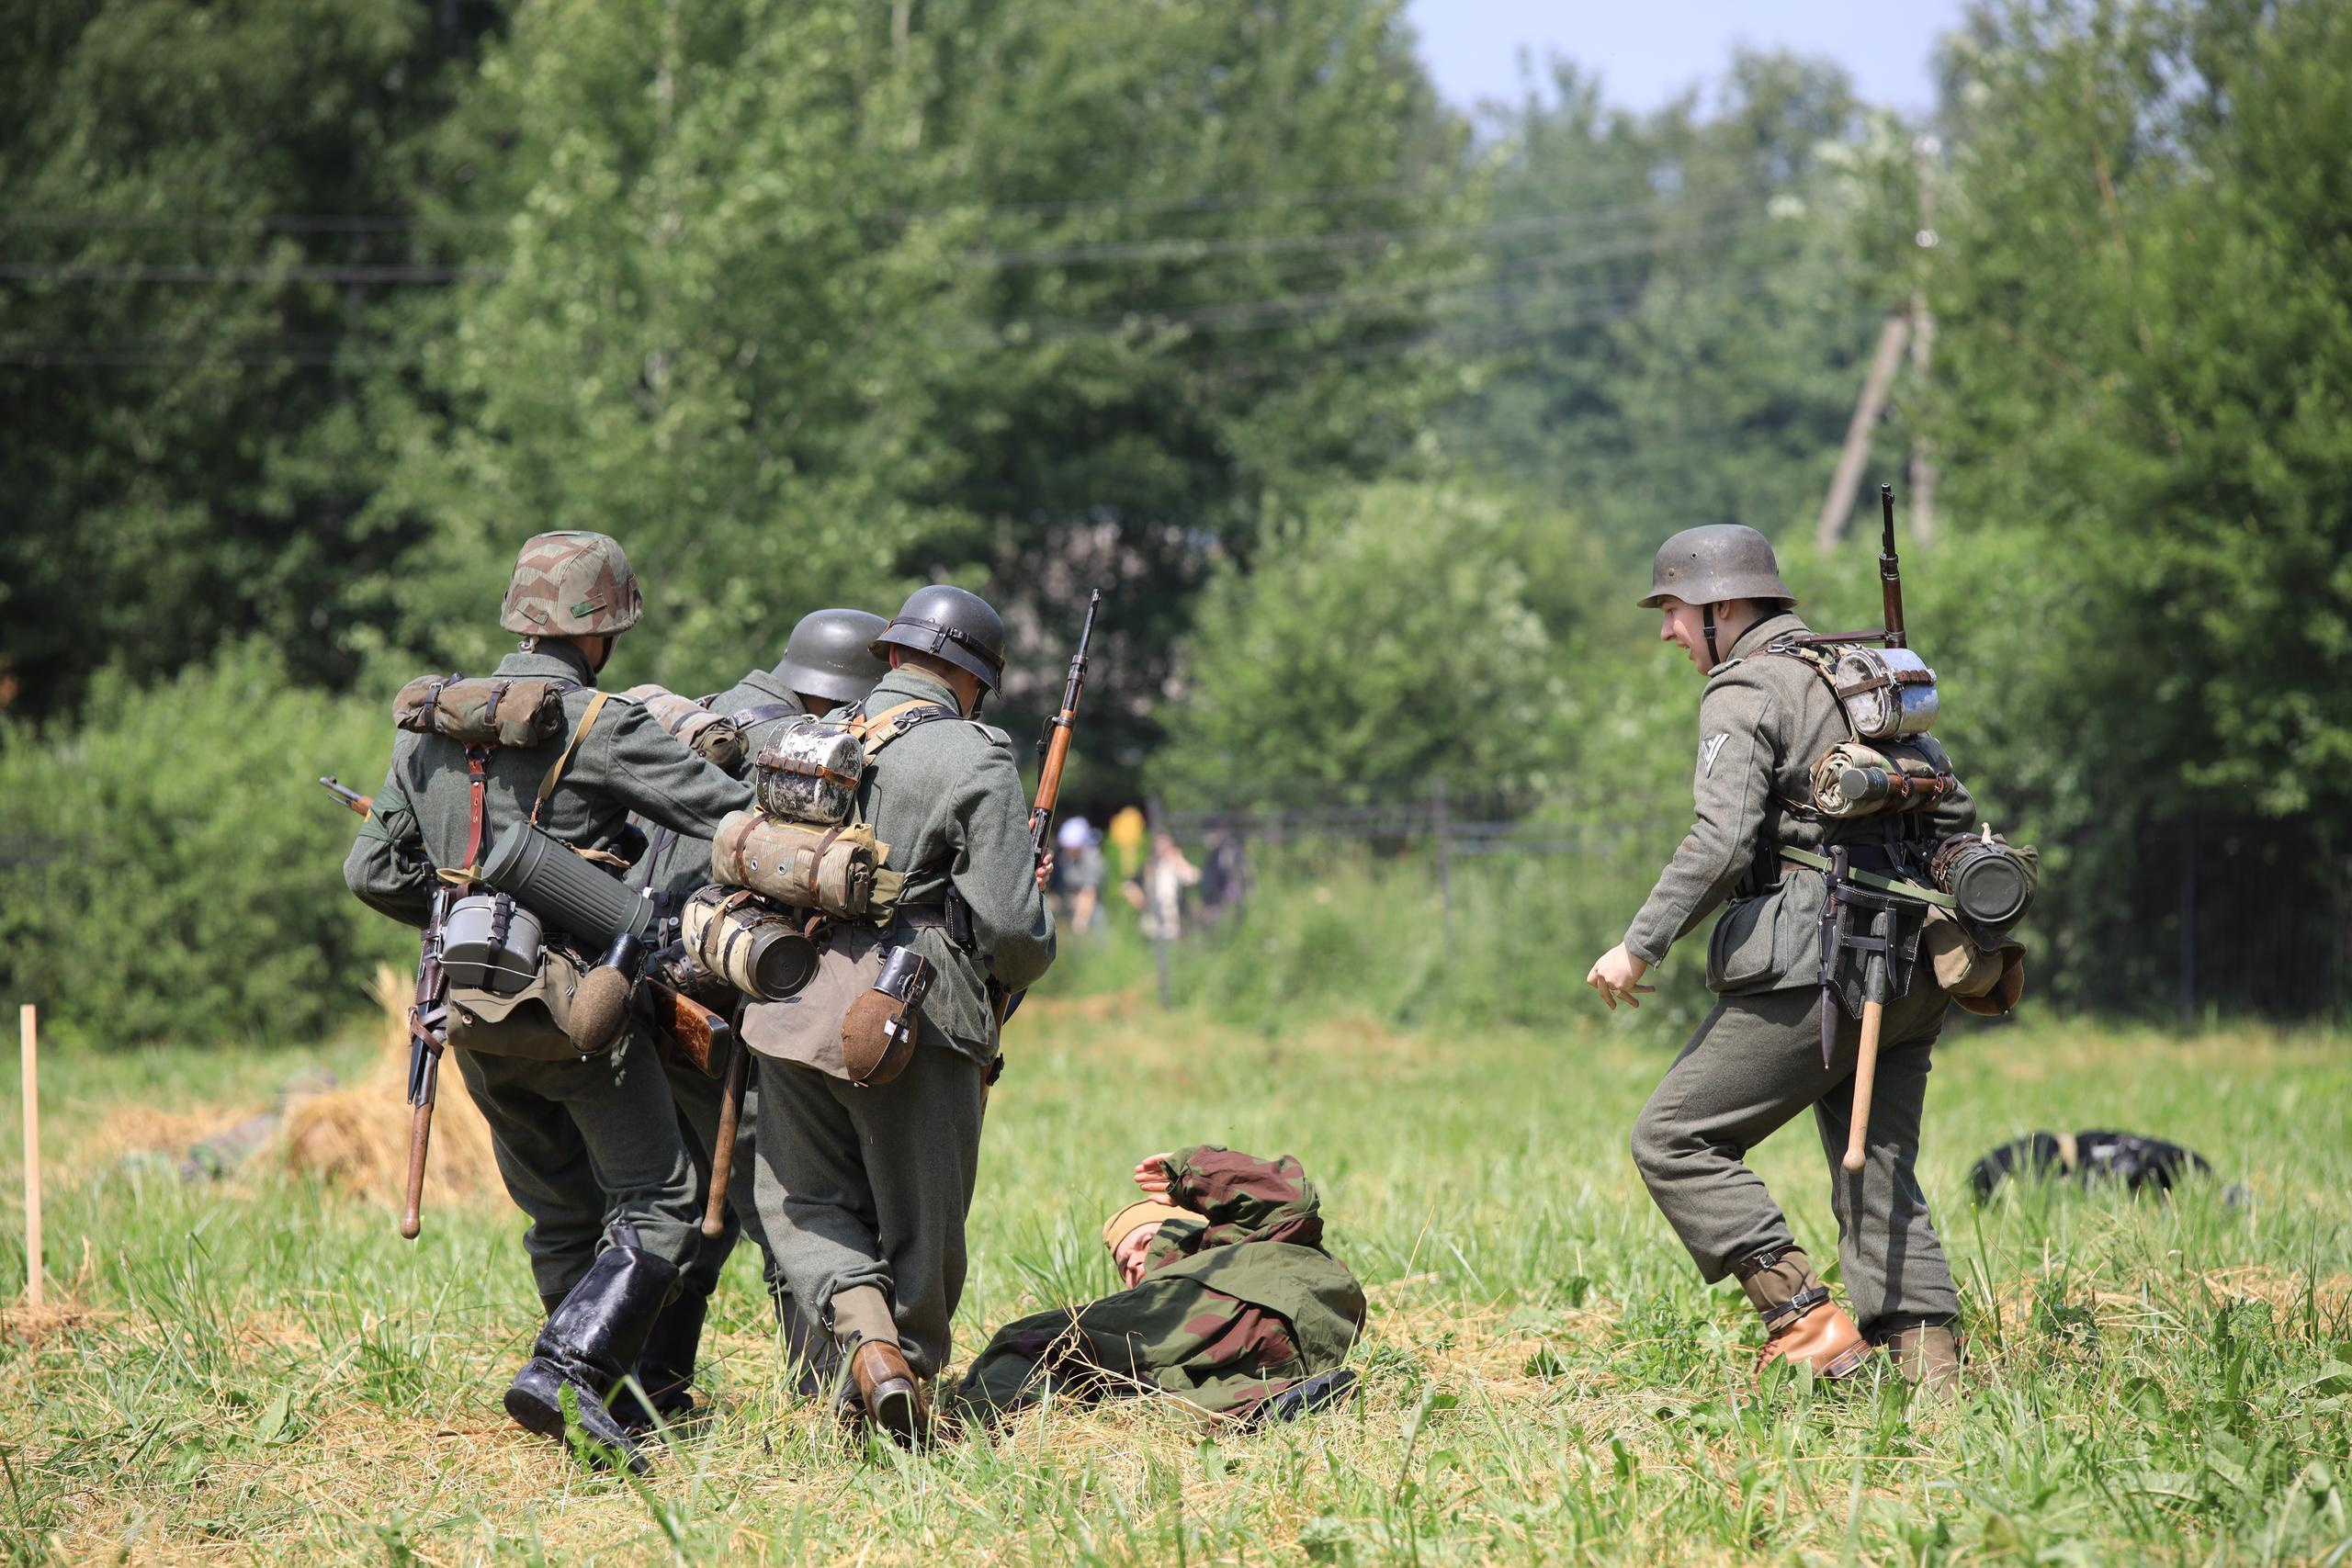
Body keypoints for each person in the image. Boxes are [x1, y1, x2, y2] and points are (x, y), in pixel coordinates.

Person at [343, 531, 754, 1471]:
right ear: (604, 628)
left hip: (468, 1011)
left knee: (561, 1214)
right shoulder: (598, 722)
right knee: (663, 1202)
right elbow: (722, 813)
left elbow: (372, 872)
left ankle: (594, 1399)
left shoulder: (429, 724)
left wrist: (471, 915)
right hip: (582, 1014)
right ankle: (570, 1369)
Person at [1583, 524, 1981, 1393]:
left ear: (1723, 606)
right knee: (1878, 1169)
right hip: (1914, 966)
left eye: (1674, 609)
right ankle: (1935, 1387)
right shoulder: (1863, 671)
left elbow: (1720, 841)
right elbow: (1954, 815)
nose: (1667, 630)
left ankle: (1809, 1328)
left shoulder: (1747, 685)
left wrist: (1638, 945)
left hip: (1821, 965)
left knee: (1673, 1138)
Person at [743, 584, 1056, 1444]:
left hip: (788, 1000)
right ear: (973, 678)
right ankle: (901, 1371)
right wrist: (1027, 943)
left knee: (803, 1201)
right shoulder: (973, 754)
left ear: (891, 655)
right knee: (924, 1223)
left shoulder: (810, 734)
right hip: (910, 1014)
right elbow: (1013, 931)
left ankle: (864, 1346)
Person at [624, 607, 889, 1424]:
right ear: (840, 694)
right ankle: (824, 1401)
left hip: (648, 996)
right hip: (726, 1013)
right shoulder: (798, 751)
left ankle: (646, 1387)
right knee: (794, 1207)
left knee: (682, 1213)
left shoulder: (702, 718)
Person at [953, 1146, 1364, 1427]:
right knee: (1136, 1395)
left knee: (1030, 1339)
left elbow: (1291, 1197)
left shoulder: (1228, 1244)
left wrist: (1193, 1171)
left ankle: (972, 1434)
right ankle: (1275, 1403)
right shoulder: (1158, 1328)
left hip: (1247, 1297)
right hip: (1289, 1358)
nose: (1134, 1261)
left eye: (1143, 1242)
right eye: (1124, 1265)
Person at [1124, 830, 1199, 940]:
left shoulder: (1177, 863)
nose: (1162, 848)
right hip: (1153, 916)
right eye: (1159, 844)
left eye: (1165, 844)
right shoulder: (1150, 865)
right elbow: (1128, 883)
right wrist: (1138, 897)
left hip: (1176, 918)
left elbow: (1193, 878)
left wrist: (1178, 860)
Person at [1056, 816, 1107, 935]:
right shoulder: (1064, 860)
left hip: (1090, 915)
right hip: (1068, 908)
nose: (1067, 849)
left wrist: (1080, 921)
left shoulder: (1093, 860)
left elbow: (1089, 893)